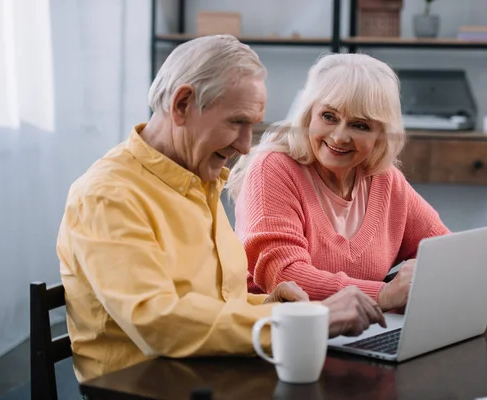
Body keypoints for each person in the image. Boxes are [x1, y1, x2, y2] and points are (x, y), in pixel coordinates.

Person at [56, 35, 386, 383]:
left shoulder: (197, 180)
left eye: (252, 126)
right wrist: (308, 320)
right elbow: (159, 321)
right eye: (236, 122)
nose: (246, 146)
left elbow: (211, 302)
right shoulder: (107, 196)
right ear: (182, 104)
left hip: (209, 374)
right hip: (146, 387)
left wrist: (269, 306)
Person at [228, 53, 450, 312]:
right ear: (309, 114)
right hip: (271, 336)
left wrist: (415, 279)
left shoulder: (384, 180)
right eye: (329, 117)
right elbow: (287, 277)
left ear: (381, 135)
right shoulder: (274, 168)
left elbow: (444, 252)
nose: (339, 136)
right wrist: (383, 294)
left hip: (357, 333)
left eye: (360, 125)